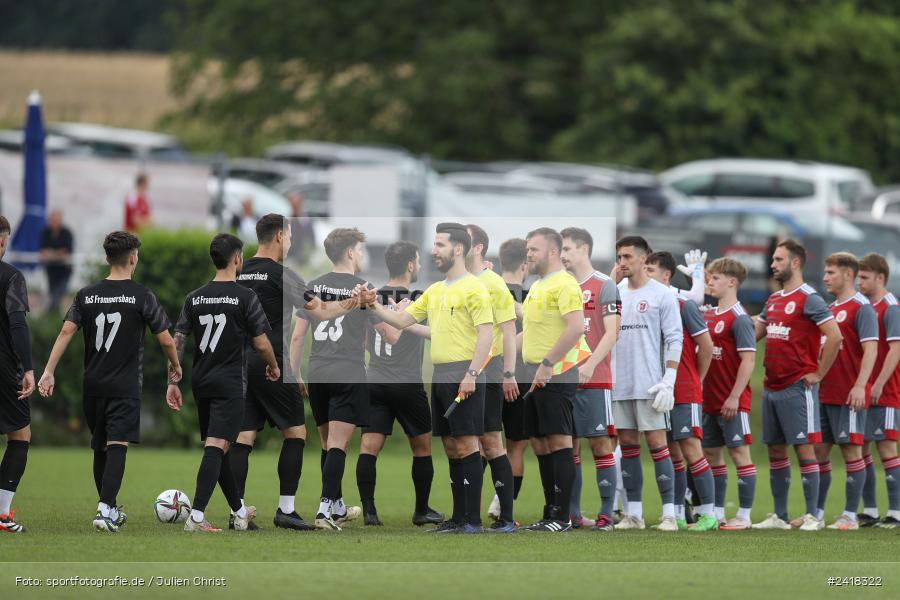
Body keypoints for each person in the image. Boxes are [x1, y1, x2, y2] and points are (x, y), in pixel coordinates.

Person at [37, 231, 182, 532]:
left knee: (100, 447)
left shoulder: (86, 295)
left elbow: (66, 332)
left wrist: (49, 370)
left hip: (93, 385)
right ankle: (105, 511)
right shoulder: (142, 295)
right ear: (132, 258)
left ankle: (109, 507)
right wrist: (175, 365)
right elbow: (167, 339)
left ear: (107, 258)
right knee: (117, 445)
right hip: (125, 385)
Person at [231, 215, 364, 532]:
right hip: (271, 364)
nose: (290, 243)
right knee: (295, 434)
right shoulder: (284, 275)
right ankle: (286, 510)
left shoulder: (239, 270)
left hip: (238, 364)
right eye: (289, 237)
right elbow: (320, 311)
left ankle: (237, 512)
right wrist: (352, 301)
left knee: (244, 436)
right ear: (279, 236)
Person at [367, 223, 493, 534]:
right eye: (434, 245)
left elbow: (486, 334)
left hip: (464, 373)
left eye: (440, 244)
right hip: (441, 375)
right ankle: (458, 517)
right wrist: (373, 304)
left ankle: (472, 521)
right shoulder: (436, 290)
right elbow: (402, 320)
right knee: (451, 448)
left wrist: (472, 373)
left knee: (467, 446)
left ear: (458, 249)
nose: (433, 251)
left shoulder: (474, 287)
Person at [166, 233, 279, 533]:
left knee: (220, 447)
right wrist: (273, 366)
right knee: (217, 445)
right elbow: (263, 344)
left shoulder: (195, 297)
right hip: (230, 382)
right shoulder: (245, 297)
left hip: (201, 380)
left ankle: (239, 511)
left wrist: (172, 381)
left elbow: (178, 341)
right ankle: (197, 517)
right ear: (237, 259)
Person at [752, 239, 842, 532]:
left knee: (805, 451)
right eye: (773, 259)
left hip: (796, 387)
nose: (772, 264)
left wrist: (818, 374)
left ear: (795, 263)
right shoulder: (775, 299)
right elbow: (756, 333)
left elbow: (835, 336)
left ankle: (813, 516)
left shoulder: (810, 298)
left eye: (778, 260)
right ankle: (779, 516)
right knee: (776, 452)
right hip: (771, 386)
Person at [290, 228, 374, 531]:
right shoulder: (363, 289)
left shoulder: (313, 285)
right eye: (361, 250)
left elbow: (298, 335)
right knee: (339, 444)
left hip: (319, 371)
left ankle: (337, 505)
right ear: (350, 253)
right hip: (348, 370)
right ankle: (324, 510)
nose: (362, 256)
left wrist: (296, 372)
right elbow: (383, 333)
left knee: (327, 443)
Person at [357, 241, 442, 527]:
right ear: (409, 265)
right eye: (417, 260)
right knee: (422, 448)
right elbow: (416, 334)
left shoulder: (373, 296)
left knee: (369, 446)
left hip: (375, 380)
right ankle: (421, 511)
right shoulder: (419, 298)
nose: (419, 265)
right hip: (407, 383)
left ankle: (369, 512)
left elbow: (365, 340)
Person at [611, 236, 682, 531]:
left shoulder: (661, 295)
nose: (622, 262)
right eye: (619, 257)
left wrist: (669, 379)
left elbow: (675, 338)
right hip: (620, 383)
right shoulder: (615, 293)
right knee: (627, 445)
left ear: (643, 258)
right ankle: (634, 514)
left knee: (657, 445)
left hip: (650, 384)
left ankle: (669, 514)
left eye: (627, 257)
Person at [645, 251, 717, 531]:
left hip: (684, 388)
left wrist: (695, 379)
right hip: (659, 389)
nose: (645, 274)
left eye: (651, 270)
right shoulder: (645, 304)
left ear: (666, 275)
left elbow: (707, 345)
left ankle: (708, 514)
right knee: (672, 452)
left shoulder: (683, 304)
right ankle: (674, 513)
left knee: (692, 450)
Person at [519, 227, 585, 533]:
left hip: (555, 375)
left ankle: (563, 518)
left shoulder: (564, 284)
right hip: (533, 373)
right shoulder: (538, 285)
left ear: (553, 252)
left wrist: (547, 364)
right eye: (528, 249)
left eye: (534, 249)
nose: (529, 254)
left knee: (559, 442)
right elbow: (529, 334)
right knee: (541, 444)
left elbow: (575, 329)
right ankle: (550, 512)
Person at [558, 227, 621, 531]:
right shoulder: (560, 286)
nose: (562, 255)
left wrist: (591, 364)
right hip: (564, 379)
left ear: (584, 249)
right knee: (569, 447)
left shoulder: (604, 286)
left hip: (595, 380)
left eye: (567, 249)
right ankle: (572, 514)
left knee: (600, 444)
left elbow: (613, 332)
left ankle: (607, 514)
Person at [816, 252, 878, 530]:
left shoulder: (861, 307)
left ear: (848, 274)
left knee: (852, 452)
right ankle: (815, 513)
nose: (825, 277)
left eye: (831, 272)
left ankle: (850, 515)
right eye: (826, 272)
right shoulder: (830, 308)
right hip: (824, 392)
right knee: (818, 452)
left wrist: (860, 385)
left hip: (847, 393)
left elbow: (871, 349)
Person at [465, 225, 519, 533]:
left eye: (466, 239)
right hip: (462, 367)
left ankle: (506, 518)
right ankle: (466, 516)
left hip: (489, 367)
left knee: (490, 441)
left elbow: (509, 331)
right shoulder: (457, 283)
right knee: (464, 442)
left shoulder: (493, 283)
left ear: (479, 248)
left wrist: (508, 373)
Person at [701, 257, 758, 530]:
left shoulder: (740, 318)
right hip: (708, 399)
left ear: (732, 282)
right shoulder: (709, 314)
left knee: (739, 455)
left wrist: (735, 396)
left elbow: (748, 360)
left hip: (732, 401)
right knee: (712, 455)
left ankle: (744, 517)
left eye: (715, 278)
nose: (709, 282)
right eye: (709, 277)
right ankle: (717, 513)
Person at [856, 253, 900, 528]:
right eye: (858, 277)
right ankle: (870, 510)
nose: (859, 282)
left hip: (886, 391)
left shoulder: (891, 307)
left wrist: (880, 383)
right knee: (861, 449)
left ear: (880, 278)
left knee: (887, 448)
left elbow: (896, 349)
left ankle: (896, 512)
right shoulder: (865, 307)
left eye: (864, 277)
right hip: (863, 391)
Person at [487, 238, 529, 521]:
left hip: (487, 372)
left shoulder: (487, 289)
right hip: (519, 377)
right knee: (516, 444)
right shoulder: (531, 296)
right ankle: (503, 507)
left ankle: (469, 508)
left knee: (482, 441)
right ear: (526, 263)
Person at [0, 216, 36, 533]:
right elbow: (17, 323)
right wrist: (28, 367)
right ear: (2, 241)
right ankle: (1, 514)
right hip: (2, 368)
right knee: (20, 435)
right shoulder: (11, 277)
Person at [38, 209, 74, 313]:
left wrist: (51, 254)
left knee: (58, 294)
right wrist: (57, 254)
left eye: (56, 220)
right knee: (53, 293)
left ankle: (51, 314)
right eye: (52, 220)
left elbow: (66, 251)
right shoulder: (45, 232)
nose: (54, 222)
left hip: (64, 270)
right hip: (51, 269)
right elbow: (43, 252)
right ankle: (54, 316)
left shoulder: (67, 233)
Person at [286, 192, 316, 267]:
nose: (296, 207)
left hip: (305, 259)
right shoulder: (288, 221)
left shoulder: (307, 220)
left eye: (297, 204)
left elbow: (311, 239)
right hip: (291, 259)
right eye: (293, 205)